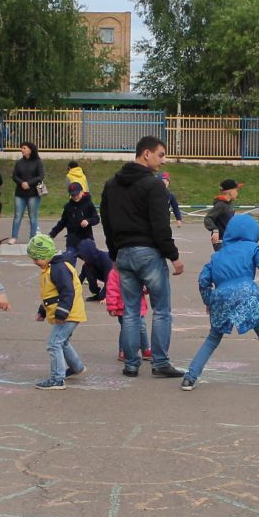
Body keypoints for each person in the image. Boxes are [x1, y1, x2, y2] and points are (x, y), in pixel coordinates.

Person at [100, 135, 185, 378]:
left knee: (130, 311)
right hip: (148, 253)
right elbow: (161, 225)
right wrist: (173, 256)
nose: (163, 161)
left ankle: (131, 364)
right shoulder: (154, 185)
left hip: (124, 254)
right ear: (146, 154)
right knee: (161, 310)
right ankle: (160, 363)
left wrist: (114, 252)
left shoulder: (111, 184)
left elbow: (107, 222)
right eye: (161, 155)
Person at [180, 214, 259, 391]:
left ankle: (190, 377)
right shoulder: (253, 248)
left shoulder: (217, 255)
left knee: (212, 338)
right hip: (247, 293)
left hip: (221, 295)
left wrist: (208, 301)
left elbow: (203, 280)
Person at [29, 233, 87, 390]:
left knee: (54, 343)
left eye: (36, 258)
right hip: (69, 312)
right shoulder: (51, 267)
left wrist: (62, 313)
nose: (34, 262)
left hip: (69, 313)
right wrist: (42, 311)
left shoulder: (58, 268)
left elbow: (68, 292)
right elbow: (50, 294)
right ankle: (77, 367)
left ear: (46, 255)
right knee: (63, 341)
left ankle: (57, 379)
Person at [48, 180, 102, 253]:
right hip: (72, 241)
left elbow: (96, 218)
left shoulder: (88, 204)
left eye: (77, 194)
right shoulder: (68, 207)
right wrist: (52, 234)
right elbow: (62, 222)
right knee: (68, 260)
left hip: (86, 239)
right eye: (73, 195)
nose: (75, 197)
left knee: (93, 261)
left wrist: (88, 221)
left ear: (82, 192)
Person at [10, 142, 45, 242]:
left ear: (30, 149)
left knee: (33, 216)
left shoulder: (38, 162)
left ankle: (32, 238)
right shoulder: (19, 162)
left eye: (24, 148)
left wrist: (29, 183)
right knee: (17, 215)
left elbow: (41, 176)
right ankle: (14, 237)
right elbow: (14, 176)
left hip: (33, 193)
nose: (22, 150)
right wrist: (22, 183)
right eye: (21, 148)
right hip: (20, 194)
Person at [205, 179, 242, 248]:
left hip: (229, 239)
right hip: (221, 241)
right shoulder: (221, 205)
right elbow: (208, 218)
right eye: (236, 190)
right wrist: (215, 230)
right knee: (228, 258)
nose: (237, 193)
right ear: (230, 192)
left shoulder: (229, 204)